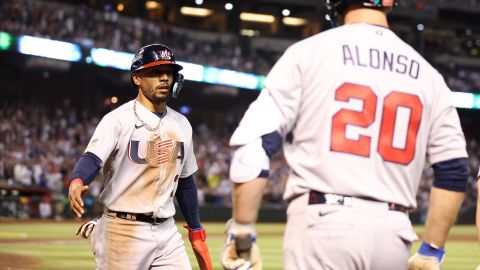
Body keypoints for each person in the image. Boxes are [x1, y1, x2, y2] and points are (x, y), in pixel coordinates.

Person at [221, 1, 469, 270]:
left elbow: (253, 147)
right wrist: (431, 251)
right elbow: (454, 169)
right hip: (393, 233)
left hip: (323, 223)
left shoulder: (308, 52)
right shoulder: (429, 76)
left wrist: (242, 232)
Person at [68, 44, 212, 270]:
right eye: (155, 72)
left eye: (169, 72)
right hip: (123, 230)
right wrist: (78, 181)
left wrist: (196, 230)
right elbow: (92, 158)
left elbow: (185, 182)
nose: (164, 78)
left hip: (167, 231)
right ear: (137, 78)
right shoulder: (117, 119)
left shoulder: (182, 124)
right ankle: (101, 227)